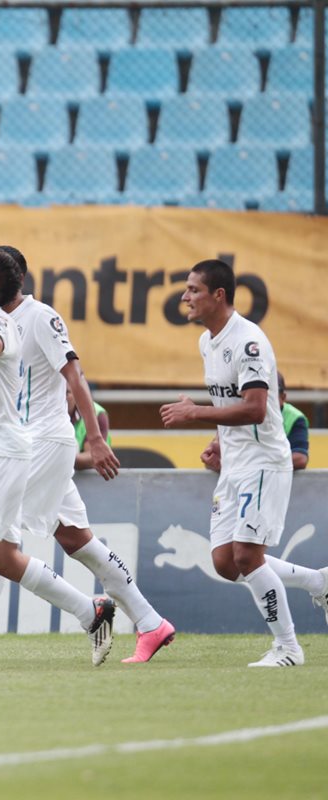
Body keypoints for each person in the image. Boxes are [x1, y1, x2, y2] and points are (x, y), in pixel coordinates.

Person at [0, 245, 173, 666]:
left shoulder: (39, 317)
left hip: (42, 439)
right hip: (24, 440)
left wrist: (94, 437)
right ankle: (150, 622)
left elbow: (74, 374)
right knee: (76, 540)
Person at [161, 259, 328, 666]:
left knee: (247, 557)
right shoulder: (207, 342)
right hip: (234, 464)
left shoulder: (249, 341)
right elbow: (227, 400)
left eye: (194, 290)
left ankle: (288, 648)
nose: (185, 297)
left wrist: (196, 413)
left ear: (218, 295)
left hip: (263, 463)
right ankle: (318, 581)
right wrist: (219, 440)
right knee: (224, 561)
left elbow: (254, 408)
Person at [201, 371, 309, 472]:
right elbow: (214, 457)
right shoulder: (237, 413)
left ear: (283, 397)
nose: (262, 398)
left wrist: (249, 463)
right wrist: (214, 460)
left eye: (269, 394)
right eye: (256, 392)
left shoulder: (294, 418)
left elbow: (300, 459)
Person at [68, 388, 112, 472]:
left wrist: (61, 458)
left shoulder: (97, 414)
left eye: (67, 392)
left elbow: (93, 457)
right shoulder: (45, 412)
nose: (61, 397)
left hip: (92, 477)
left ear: (76, 393)